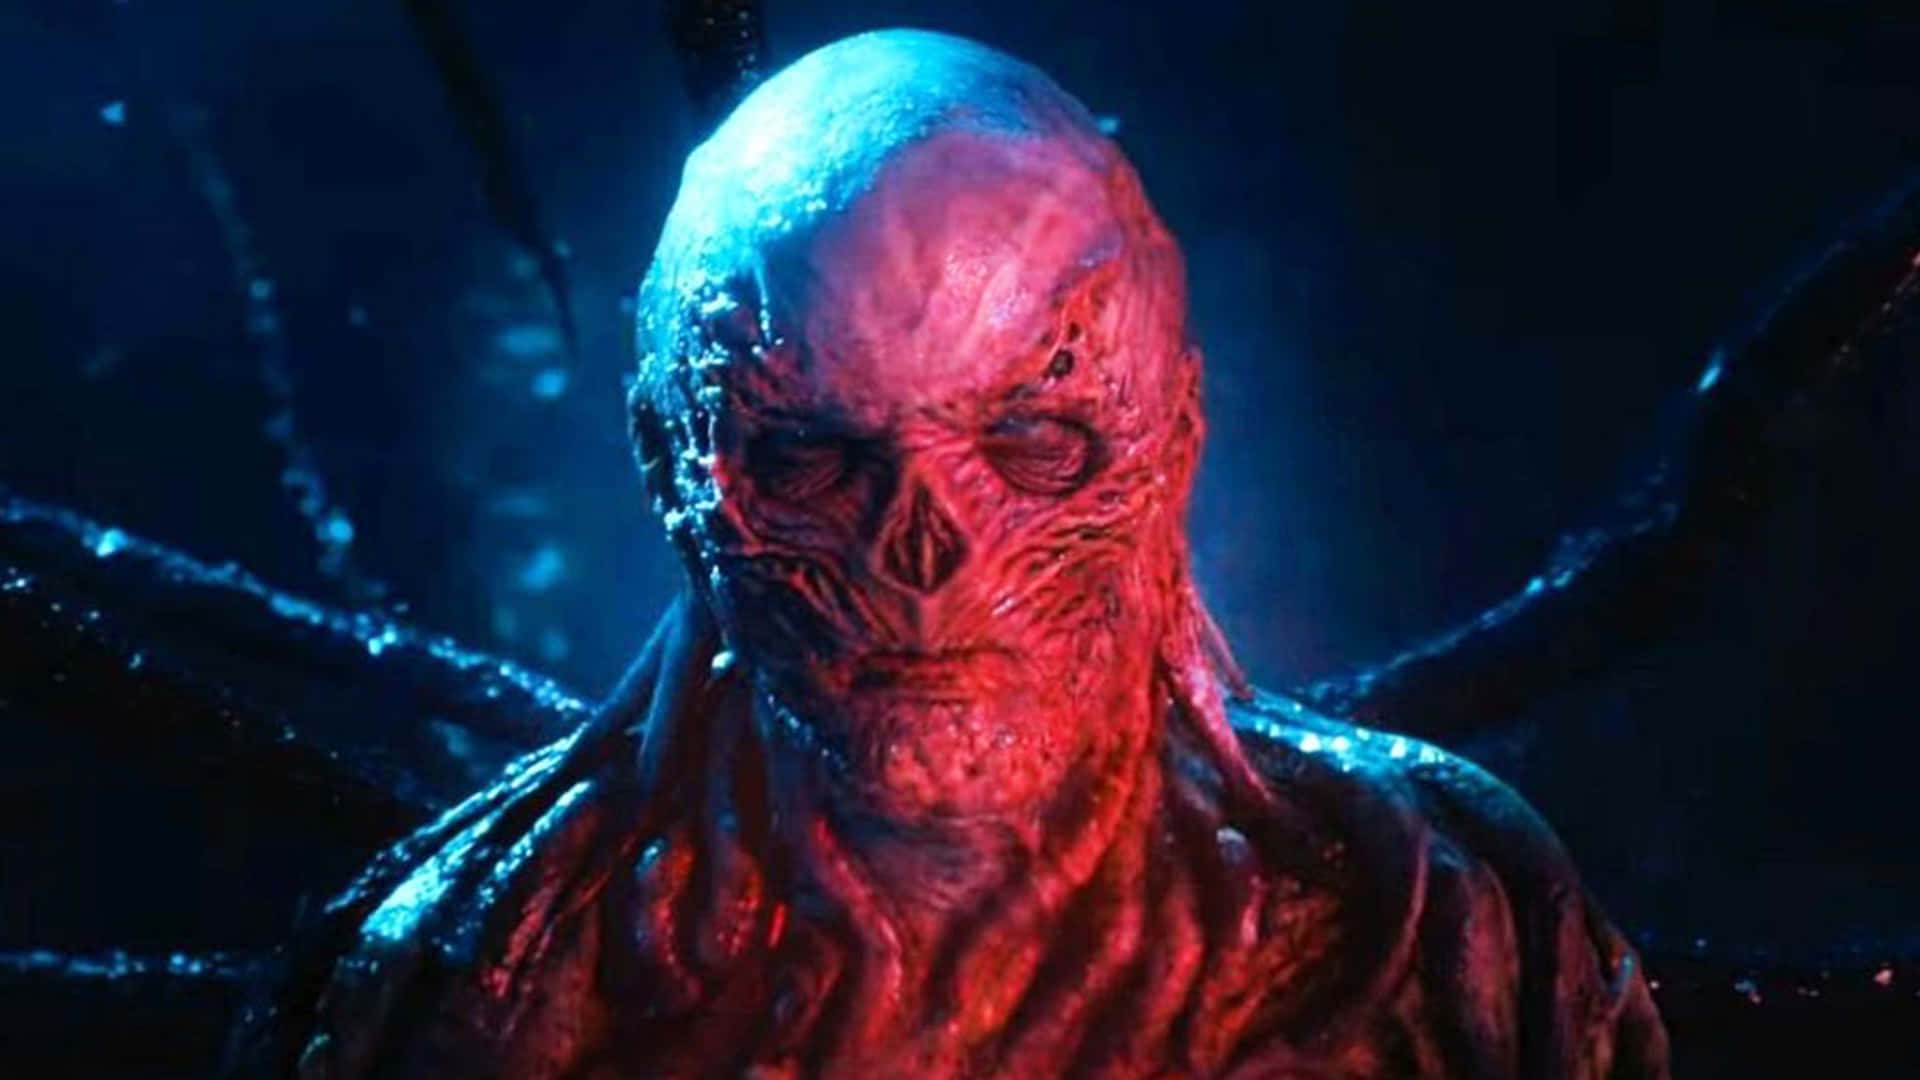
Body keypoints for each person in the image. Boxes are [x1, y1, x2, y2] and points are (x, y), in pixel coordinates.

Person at [250, 29, 1669, 1078]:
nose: (929, 555)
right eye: (810, 459)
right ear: (668, 467)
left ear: (1174, 435)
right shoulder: (468, 992)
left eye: (1034, 442)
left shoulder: (1441, 939)